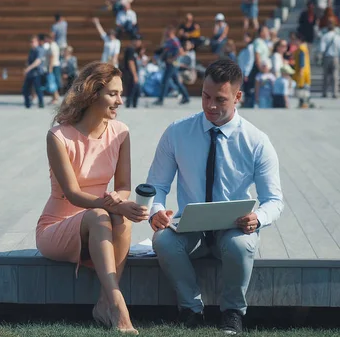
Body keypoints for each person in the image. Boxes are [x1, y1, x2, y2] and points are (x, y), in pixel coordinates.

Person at [146, 59, 284, 335]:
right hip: (190, 226)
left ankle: (232, 312)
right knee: (162, 240)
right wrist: (156, 212)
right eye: (205, 96)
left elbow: (274, 200)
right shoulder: (177, 132)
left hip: (233, 227)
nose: (210, 105)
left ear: (238, 97)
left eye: (220, 99)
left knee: (240, 246)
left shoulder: (257, 141)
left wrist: (258, 218)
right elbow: (156, 186)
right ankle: (190, 309)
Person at [37, 61, 147, 334]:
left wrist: (118, 202)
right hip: (57, 224)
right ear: (92, 93)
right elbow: (72, 193)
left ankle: (103, 303)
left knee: (121, 221)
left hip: (100, 218)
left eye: (120, 93)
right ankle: (119, 303)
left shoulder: (120, 132)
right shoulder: (59, 136)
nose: (120, 101)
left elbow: (123, 185)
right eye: (113, 93)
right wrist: (109, 204)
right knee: (102, 216)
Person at [153, 25, 190, 106]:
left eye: (167, 31)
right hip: (168, 64)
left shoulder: (174, 40)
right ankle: (186, 97)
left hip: (173, 64)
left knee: (164, 81)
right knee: (176, 82)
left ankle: (160, 99)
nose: (166, 32)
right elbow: (163, 48)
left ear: (171, 31)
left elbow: (180, 52)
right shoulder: (168, 40)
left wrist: (173, 59)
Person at [22, 35, 45, 109]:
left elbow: (37, 61)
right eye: (31, 42)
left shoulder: (40, 50)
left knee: (38, 89)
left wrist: (28, 68)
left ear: (37, 42)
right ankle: (27, 104)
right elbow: (28, 61)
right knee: (25, 89)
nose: (32, 43)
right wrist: (26, 68)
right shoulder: (32, 50)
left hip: (37, 73)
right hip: (30, 73)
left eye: (33, 42)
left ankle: (41, 103)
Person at [292, 32, 313, 108]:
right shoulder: (304, 47)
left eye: (294, 39)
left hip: (302, 72)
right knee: (304, 89)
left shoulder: (301, 49)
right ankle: (305, 103)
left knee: (302, 89)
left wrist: (301, 71)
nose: (293, 41)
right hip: (305, 71)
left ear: (299, 40)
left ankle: (304, 103)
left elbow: (302, 61)